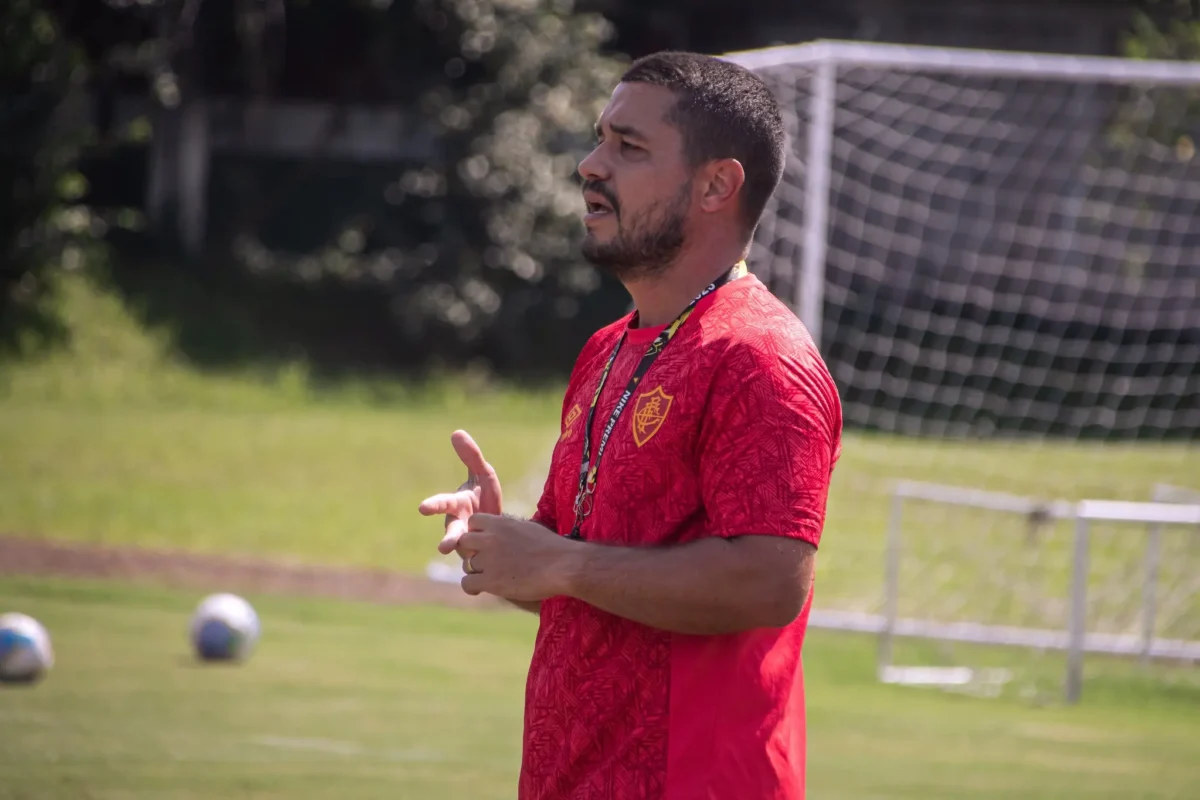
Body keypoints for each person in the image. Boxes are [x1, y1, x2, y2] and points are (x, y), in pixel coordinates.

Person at [418, 50, 843, 800]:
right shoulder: (606, 350)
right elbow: (572, 577)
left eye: (628, 147)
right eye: (598, 139)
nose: (589, 164)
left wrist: (564, 565)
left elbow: (771, 581)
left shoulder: (760, 355)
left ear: (718, 184)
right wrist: (508, 541)